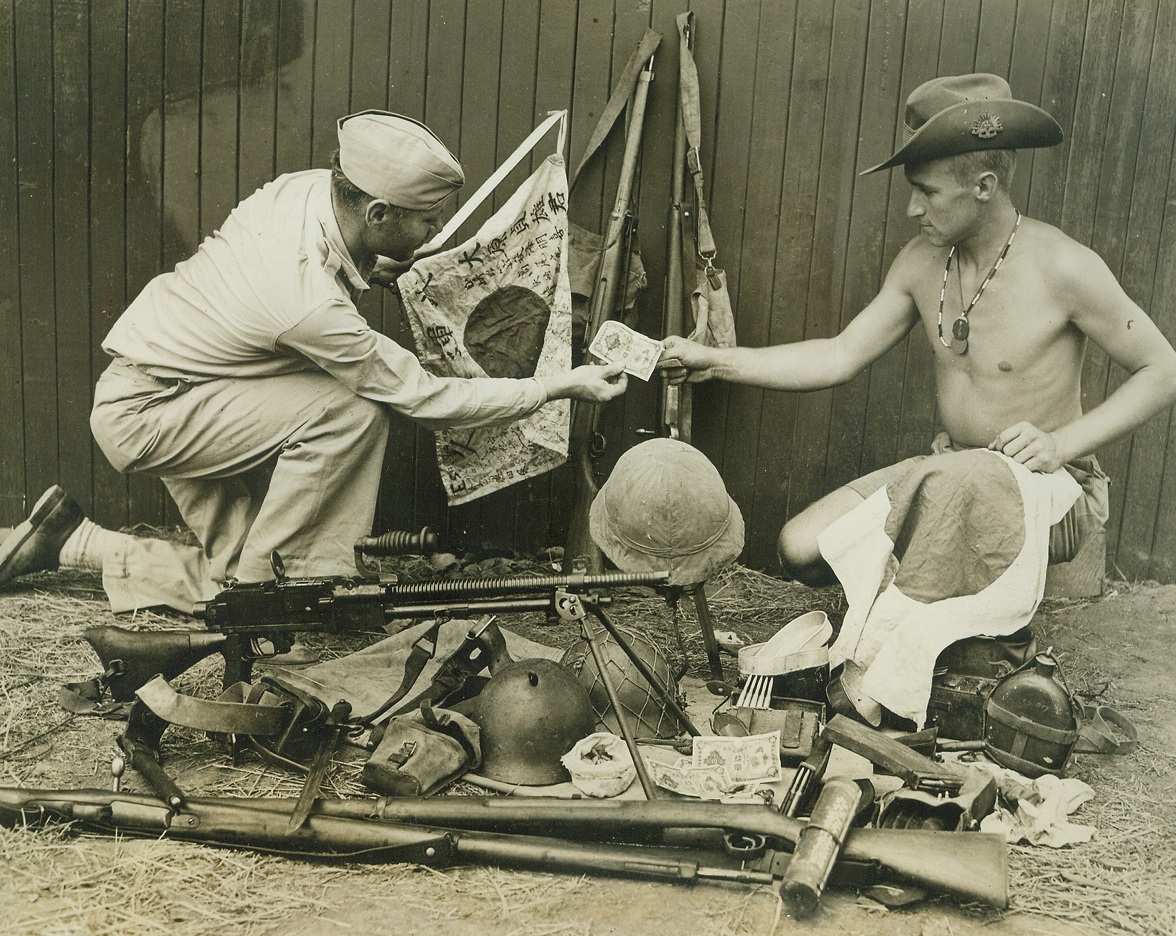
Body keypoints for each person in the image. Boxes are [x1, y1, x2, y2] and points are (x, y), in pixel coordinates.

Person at [0, 110, 627, 617]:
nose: (434, 237)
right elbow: (422, 399)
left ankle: (78, 543)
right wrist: (556, 385)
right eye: (427, 223)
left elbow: (295, 277)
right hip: (150, 411)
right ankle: (280, 600)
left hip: (191, 379)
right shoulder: (306, 302)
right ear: (377, 214)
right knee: (353, 409)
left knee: (233, 568)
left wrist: (373, 267)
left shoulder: (307, 190)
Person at [663, 74, 1176, 588]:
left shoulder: (1065, 267)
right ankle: (943, 596)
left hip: (1051, 488)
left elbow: (1164, 369)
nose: (912, 209)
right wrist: (716, 361)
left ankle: (958, 617)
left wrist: (1061, 444)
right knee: (801, 546)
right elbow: (839, 354)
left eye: (927, 192)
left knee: (960, 493)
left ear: (983, 187)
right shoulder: (920, 262)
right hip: (954, 470)